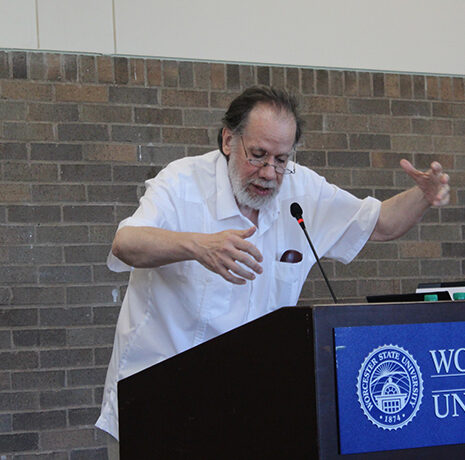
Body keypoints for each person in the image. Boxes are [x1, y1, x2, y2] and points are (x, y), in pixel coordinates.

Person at [96, 86, 450, 441]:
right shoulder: (181, 182)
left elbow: (381, 224)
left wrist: (422, 196)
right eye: (258, 155)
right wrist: (198, 246)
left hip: (247, 406)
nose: (269, 172)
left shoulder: (302, 190)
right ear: (228, 141)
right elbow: (126, 243)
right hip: (158, 401)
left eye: (281, 159)